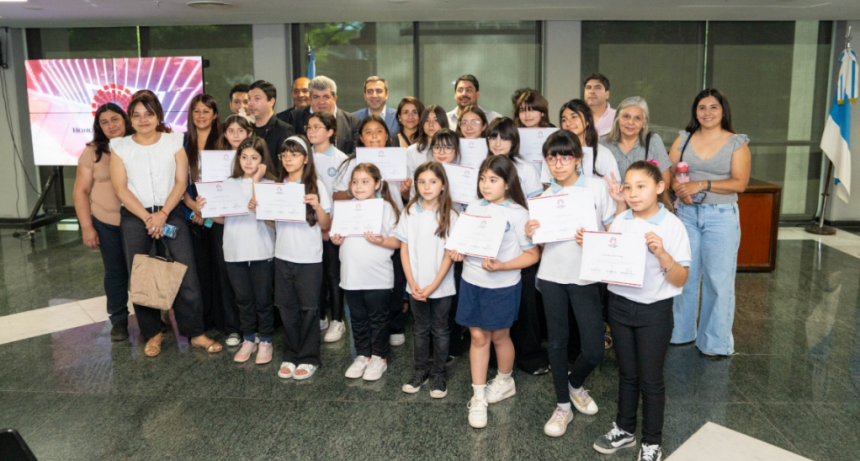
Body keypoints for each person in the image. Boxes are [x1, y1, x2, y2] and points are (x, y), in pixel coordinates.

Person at [109, 93, 222, 357]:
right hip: (136, 219)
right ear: (130, 119)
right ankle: (153, 334)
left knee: (185, 273)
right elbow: (120, 188)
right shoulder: (120, 146)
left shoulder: (174, 141)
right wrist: (148, 217)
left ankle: (195, 332)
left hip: (169, 215)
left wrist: (162, 214)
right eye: (136, 115)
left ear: (158, 115)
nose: (143, 119)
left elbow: (181, 182)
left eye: (148, 113)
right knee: (142, 277)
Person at [592, 160, 691, 461]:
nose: (633, 194)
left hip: (654, 311)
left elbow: (681, 278)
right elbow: (610, 259)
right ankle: (624, 429)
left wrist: (662, 253)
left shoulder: (672, 225)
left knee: (650, 378)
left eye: (641, 186)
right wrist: (594, 246)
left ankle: (652, 441)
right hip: (620, 305)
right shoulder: (622, 220)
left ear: (660, 187)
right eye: (628, 187)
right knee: (627, 373)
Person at [525, 130, 618, 437]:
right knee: (557, 342)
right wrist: (530, 231)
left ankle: (575, 384)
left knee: (593, 348)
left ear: (579, 158)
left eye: (566, 157)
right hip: (552, 276)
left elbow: (611, 229)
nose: (558, 163)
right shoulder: (541, 197)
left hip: (586, 276)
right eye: (552, 157)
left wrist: (595, 238)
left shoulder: (595, 188)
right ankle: (562, 405)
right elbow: (537, 245)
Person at [449, 155, 540, 429]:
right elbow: (461, 241)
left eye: (493, 180)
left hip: (502, 285)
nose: (485, 185)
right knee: (477, 336)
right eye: (482, 179)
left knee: (500, 336)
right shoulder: (474, 206)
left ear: (508, 183)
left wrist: (503, 266)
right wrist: (458, 251)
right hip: (472, 282)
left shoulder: (518, 213)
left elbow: (532, 255)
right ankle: (478, 396)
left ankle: (504, 379)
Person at [669, 89, 750, 357]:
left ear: (723, 111)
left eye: (713, 107)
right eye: (701, 107)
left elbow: (741, 183)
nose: (707, 112)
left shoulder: (736, 143)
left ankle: (715, 343)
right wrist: (680, 190)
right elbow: (669, 174)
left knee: (718, 280)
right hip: (687, 216)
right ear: (695, 112)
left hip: (721, 217)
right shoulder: (683, 140)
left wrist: (701, 184)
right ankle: (680, 332)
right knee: (684, 276)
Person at [332, 116, 409, 347]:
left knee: (393, 280)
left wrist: (406, 191)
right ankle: (368, 345)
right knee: (367, 288)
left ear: (387, 136)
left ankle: (394, 325)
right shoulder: (350, 164)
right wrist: (358, 190)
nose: (374, 136)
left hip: (390, 224)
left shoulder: (400, 159)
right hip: (358, 229)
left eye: (379, 131)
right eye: (368, 132)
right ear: (361, 137)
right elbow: (336, 195)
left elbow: (408, 198)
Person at [198, 136, 276, 364]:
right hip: (234, 249)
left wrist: (258, 179)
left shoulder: (269, 184)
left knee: (263, 298)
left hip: (262, 249)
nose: (248, 162)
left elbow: (268, 216)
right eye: (244, 157)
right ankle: (249, 338)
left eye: (254, 157)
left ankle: (266, 340)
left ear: (263, 160)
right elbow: (224, 219)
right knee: (242, 298)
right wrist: (208, 209)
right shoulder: (228, 183)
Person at [485, 117, 548, 376]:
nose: (498, 143)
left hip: (522, 244)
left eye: (504, 137)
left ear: (514, 141)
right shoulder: (484, 167)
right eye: (493, 137)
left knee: (526, 303)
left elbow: (536, 209)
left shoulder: (527, 169)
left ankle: (530, 355)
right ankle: (493, 357)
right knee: (494, 303)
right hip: (492, 246)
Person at [267, 135, 331, 380]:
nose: (289, 159)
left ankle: (309, 357)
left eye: (294, 154)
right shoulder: (277, 187)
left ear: (306, 159)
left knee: (309, 309)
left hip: (309, 259)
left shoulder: (316, 185)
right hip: (282, 256)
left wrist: (316, 206)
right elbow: (274, 223)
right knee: (287, 308)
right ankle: (290, 355)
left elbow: (325, 225)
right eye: (284, 155)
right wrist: (261, 211)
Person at [332, 163, 402, 381]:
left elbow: (398, 242)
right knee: (358, 318)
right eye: (355, 182)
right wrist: (336, 239)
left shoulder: (386, 208)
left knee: (378, 319)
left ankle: (379, 357)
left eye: (365, 181)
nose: (359, 186)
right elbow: (336, 235)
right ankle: (362, 355)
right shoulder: (345, 207)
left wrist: (381, 241)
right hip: (351, 276)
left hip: (378, 277)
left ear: (377, 184)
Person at [73, 103, 133, 341]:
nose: (111, 125)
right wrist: (87, 227)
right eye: (104, 122)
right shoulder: (92, 151)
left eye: (115, 119)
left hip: (138, 221)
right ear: (98, 126)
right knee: (116, 273)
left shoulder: (139, 144)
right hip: (106, 222)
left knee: (146, 270)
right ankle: (118, 320)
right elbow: (80, 191)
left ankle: (156, 317)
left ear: (125, 119)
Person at [398, 161, 458, 398]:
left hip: (441, 286)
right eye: (421, 182)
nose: (427, 186)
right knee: (420, 330)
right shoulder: (409, 211)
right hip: (415, 286)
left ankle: (439, 374)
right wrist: (411, 282)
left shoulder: (450, 214)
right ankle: (420, 371)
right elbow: (404, 249)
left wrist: (433, 286)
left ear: (443, 185)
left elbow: (448, 255)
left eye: (433, 181)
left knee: (441, 330)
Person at [181, 94, 235, 341]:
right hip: (191, 214)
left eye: (206, 111)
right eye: (196, 111)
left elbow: (231, 179)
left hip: (221, 215)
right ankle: (204, 320)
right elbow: (176, 180)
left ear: (215, 115)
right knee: (199, 271)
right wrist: (193, 207)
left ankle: (226, 321)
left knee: (221, 270)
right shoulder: (182, 142)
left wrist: (210, 211)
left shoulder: (224, 141)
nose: (201, 116)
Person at [602, 96, 672, 187]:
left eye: (637, 118)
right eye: (626, 116)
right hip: (611, 199)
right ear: (618, 118)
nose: (631, 122)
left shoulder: (653, 142)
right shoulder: (603, 143)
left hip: (644, 200)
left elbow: (665, 182)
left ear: (644, 122)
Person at [293, 76, 361, 154]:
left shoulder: (353, 122)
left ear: (334, 99)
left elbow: (356, 154)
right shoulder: (296, 118)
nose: (321, 102)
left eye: (326, 97)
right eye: (316, 97)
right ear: (310, 99)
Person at [247, 80, 296, 167]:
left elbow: (284, 166)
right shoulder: (247, 129)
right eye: (249, 98)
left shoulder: (283, 130)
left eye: (257, 98)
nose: (251, 103)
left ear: (271, 101)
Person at [406, 105, 448, 182]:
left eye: (436, 120)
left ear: (443, 123)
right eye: (427, 120)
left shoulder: (450, 149)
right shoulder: (411, 151)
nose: (431, 124)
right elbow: (410, 183)